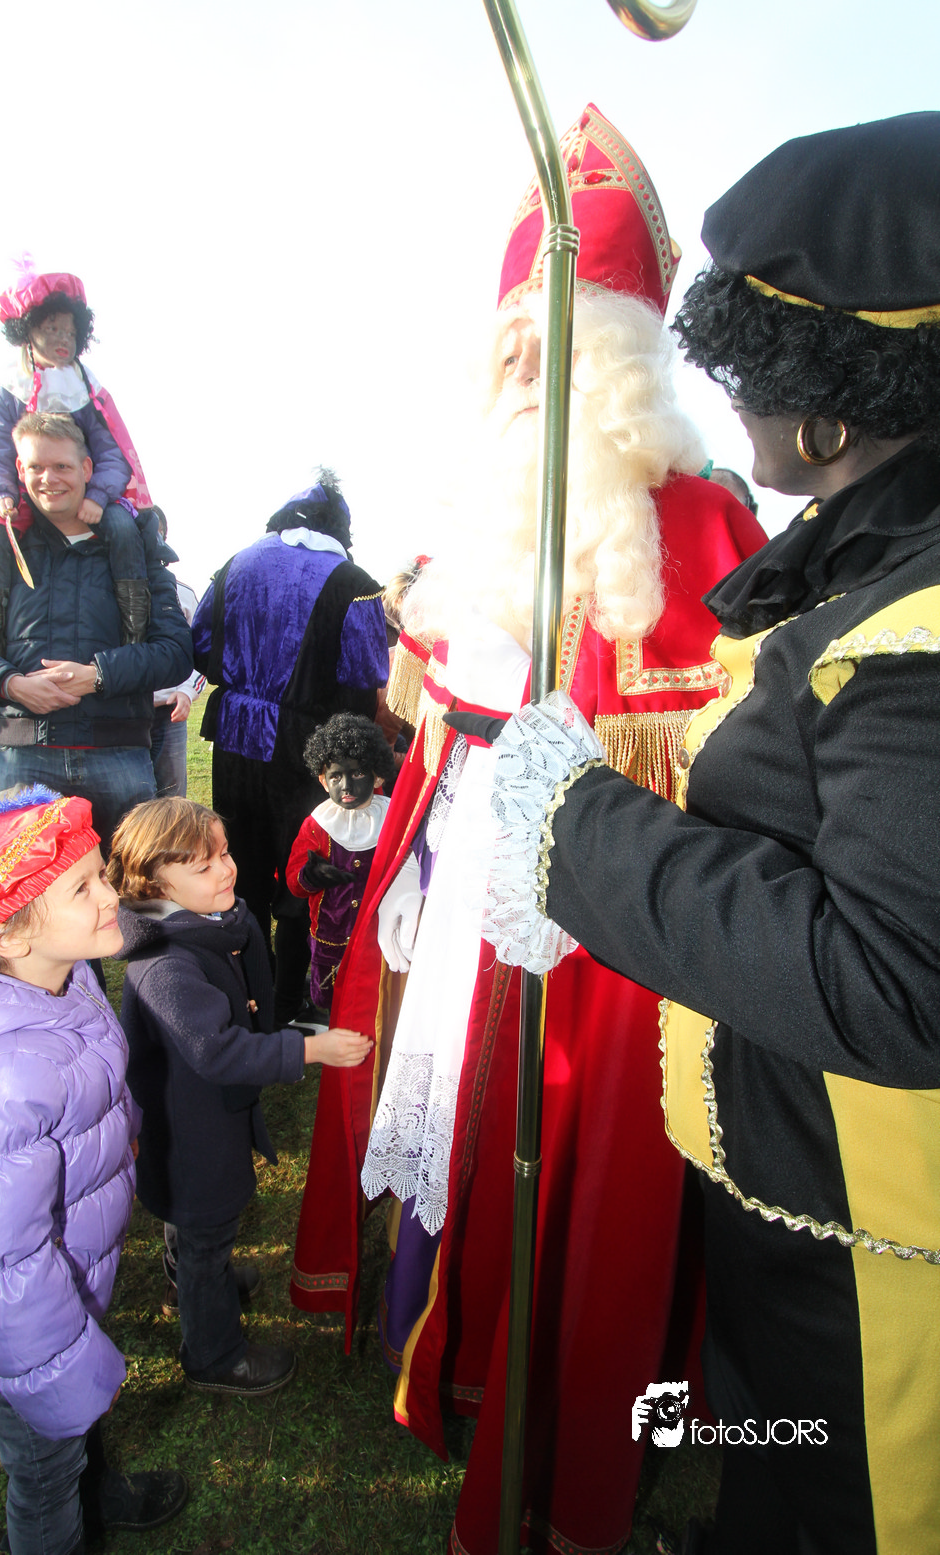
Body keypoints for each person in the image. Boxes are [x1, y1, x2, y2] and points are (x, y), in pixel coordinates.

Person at [291, 102, 766, 1555]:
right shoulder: (478, 508)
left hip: (610, 928)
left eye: (547, 334)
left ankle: (569, 1435)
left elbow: (720, 760)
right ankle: (449, 1351)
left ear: (618, 355)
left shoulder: (698, 524)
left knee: (586, 1170)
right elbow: (438, 703)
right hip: (467, 894)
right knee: (466, 1114)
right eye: (504, 335)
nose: (516, 361)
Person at [481, 110, 940, 1555]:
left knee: (849, 1487)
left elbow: (893, 979)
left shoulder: (919, 628)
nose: (727, 404)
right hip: (790, 1184)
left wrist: (577, 824)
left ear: (834, 400)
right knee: (763, 1436)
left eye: (751, 369)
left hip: (874, 1226)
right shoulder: (863, 559)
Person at [0, 787, 188, 1554]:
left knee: (76, 1436)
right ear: (5, 933)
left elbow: (88, 1088)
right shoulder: (0, 1080)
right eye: (83, 887)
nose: (111, 896)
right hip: (17, 1339)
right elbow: (6, 1274)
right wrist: (60, 1374)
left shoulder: (61, 979)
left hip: (66, 1285)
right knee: (44, 1472)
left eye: (102, 875)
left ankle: (100, 1485)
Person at [109, 797, 373, 1398]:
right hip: (190, 1132)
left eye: (224, 853)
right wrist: (309, 1048)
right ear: (157, 883)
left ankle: (191, 1278)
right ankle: (213, 1352)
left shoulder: (210, 921)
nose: (226, 869)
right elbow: (217, 1050)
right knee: (204, 1229)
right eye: (204, 866)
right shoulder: (167, 966)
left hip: (203, 1117)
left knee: (193, 1226)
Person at [0, 412, 192, 852]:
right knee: (33, 888)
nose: (49, 479)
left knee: (126, 882)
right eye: (36, 466)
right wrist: (9, 684)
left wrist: (99, 676)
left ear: (87, 469)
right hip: (25, 760)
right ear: (19, 469)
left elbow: (176, 652)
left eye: (62, 466)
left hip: (120, 757)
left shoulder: (137, 549)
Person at [192, 470, 388, 1024]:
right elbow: (364, 676)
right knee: (304, 864)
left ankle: (249, 990)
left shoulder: (236, 564)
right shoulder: (354, 582)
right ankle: (288, 999)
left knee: (240, 861)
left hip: (235, 736)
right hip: (309, 747)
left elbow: (200, 643)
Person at [0, 264, 153, 652]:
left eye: (70, 332)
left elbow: (112, 452)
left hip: (88, 496)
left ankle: (135, 634)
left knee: (124, 529)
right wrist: (1, 494)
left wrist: (99, 496)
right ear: (28, 332)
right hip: (25, 496)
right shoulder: (7, 389)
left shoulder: (85, 388)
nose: (63, 339)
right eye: (52, 329)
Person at [287, 713, 396, 1010]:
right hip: (330, 939)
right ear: (323, 781)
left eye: (357, 774)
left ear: (377, 777)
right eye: (336, 777)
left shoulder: (392, 819)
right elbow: (294, 880)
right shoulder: (317, 825)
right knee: (333, 1002)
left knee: (376, 1003)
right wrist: (310, 876)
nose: (346, 786)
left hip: (379, 935)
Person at [151, 579, 206, 798]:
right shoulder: (105, 584)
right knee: (131, 797)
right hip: (120, 713)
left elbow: (201, 651)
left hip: (168, 713)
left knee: (171, 795)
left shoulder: (182, 593)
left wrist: (186, 691)